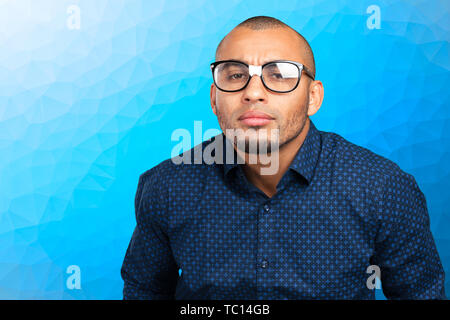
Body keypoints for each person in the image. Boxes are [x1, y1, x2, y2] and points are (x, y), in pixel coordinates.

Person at [121, 16, 446, 299]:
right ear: (214, 98)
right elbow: (145, 292)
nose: (253, 92)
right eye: (235, 75)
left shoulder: (383, 188)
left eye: (278, 74)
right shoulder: (167, 186)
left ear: (313, 97)